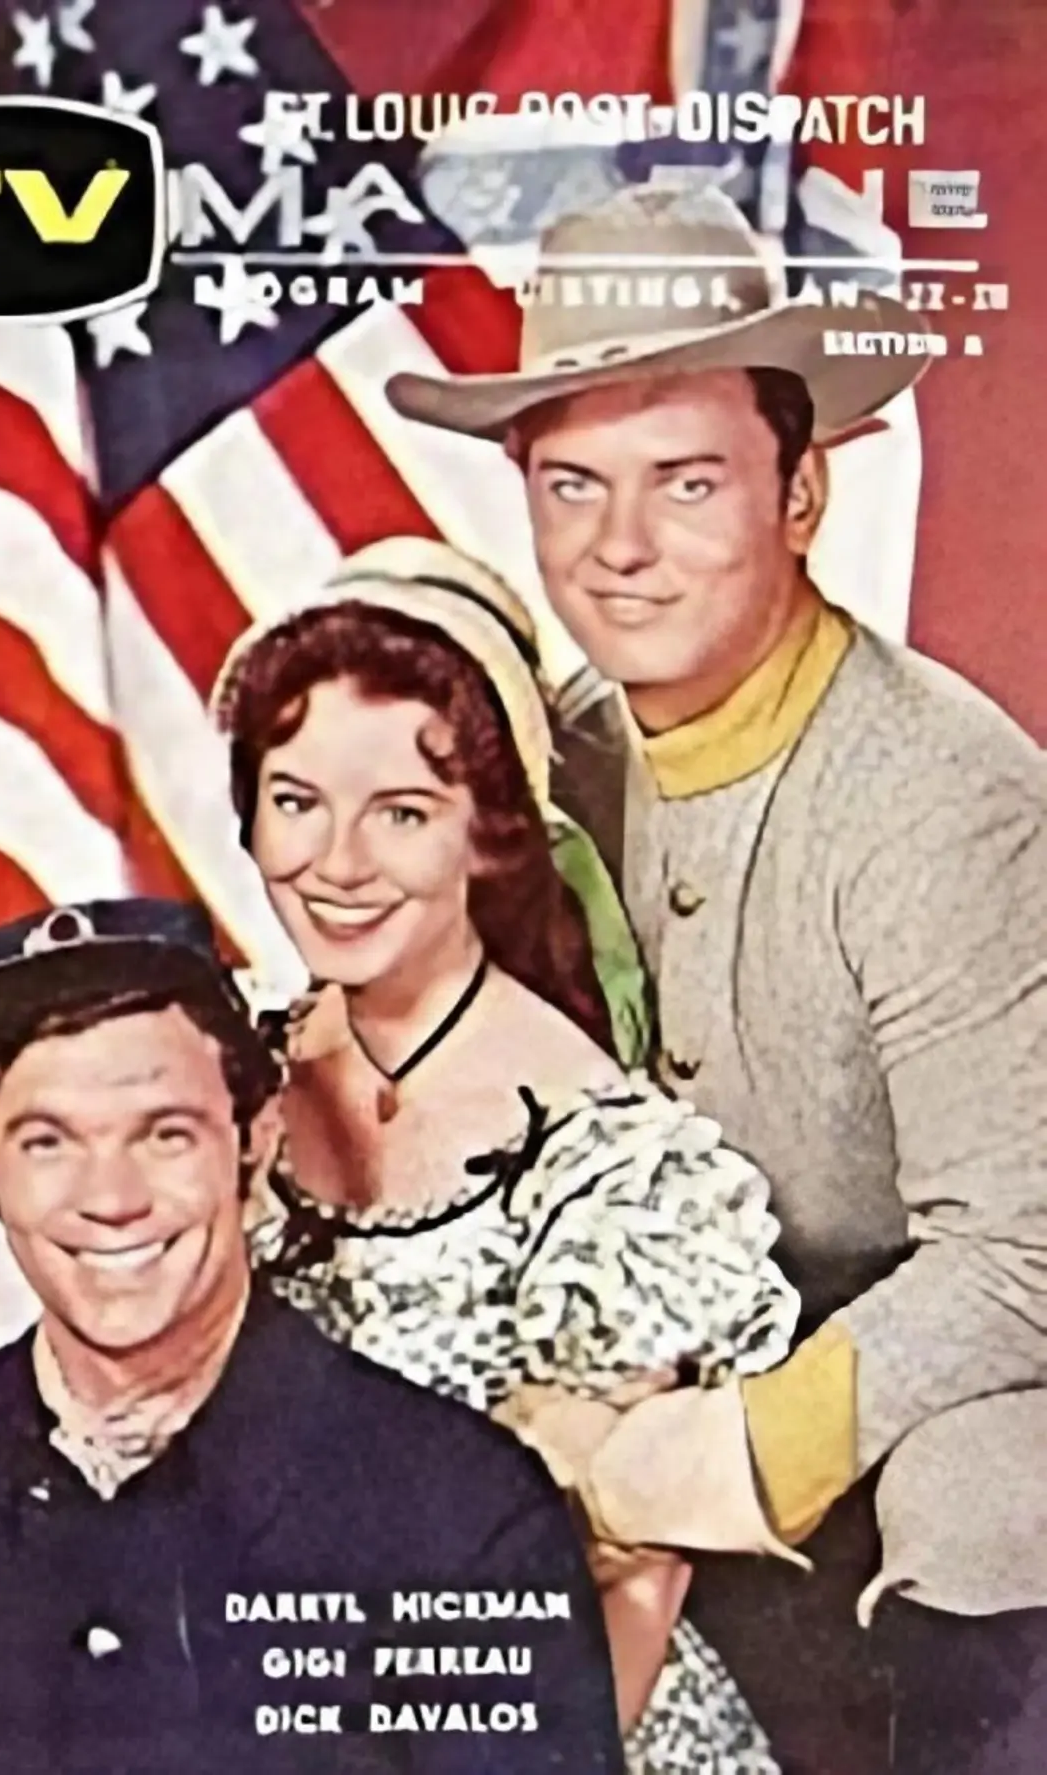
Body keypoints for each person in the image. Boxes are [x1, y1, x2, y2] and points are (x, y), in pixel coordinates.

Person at [384, 179, 1047, 1773]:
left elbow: (1024, 1257)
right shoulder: (558, 759)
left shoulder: (943, 797)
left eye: (687, 481)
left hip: (924, 1408)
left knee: (992, 1501)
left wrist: (686, 1462)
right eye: (573, 484)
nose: (620, 549)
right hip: (646, 1373)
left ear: (801, 490)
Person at [211, 538, 803, 1775]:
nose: (337, 862)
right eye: (296, 800)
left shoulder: (611, 1163)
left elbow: (636, 1581)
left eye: (402, 813)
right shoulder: (219, 1060)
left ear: (489, 832)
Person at [0, 897, 627, 1775]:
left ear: (253, 1146)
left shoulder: (458, 1509)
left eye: (164, 1134)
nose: (111, 1198)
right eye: (47, 1141)